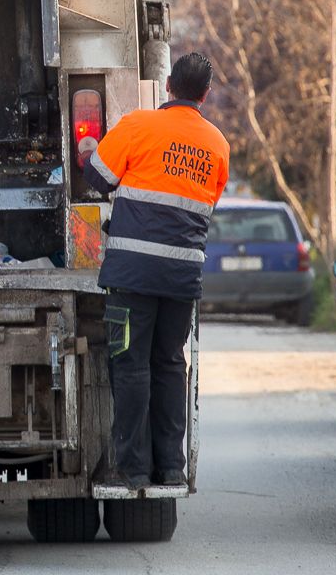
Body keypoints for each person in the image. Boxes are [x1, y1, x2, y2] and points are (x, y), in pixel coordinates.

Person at [82, 52, 229, 489]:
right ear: (205, 95)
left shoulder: (137, 126)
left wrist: (93, 152)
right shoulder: (217, 145)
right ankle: (172, 467)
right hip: (182, 279)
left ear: (168, 86)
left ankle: (133, 467)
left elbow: (97, 178)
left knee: (130, 366)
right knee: (169, 364)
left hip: (132, 276)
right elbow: (205, 205)